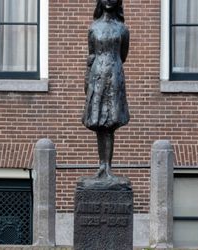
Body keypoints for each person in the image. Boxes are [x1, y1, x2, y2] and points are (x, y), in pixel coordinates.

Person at [82, 0, 130, 179]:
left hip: (114, 76)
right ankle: (101, 165)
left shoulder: (122, 30)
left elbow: (122, 56)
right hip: (97, 76)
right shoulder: (93, 28)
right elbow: (91, 55)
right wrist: (87, 80)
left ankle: (108, 167)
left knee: (110, 123)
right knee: (99, 123)